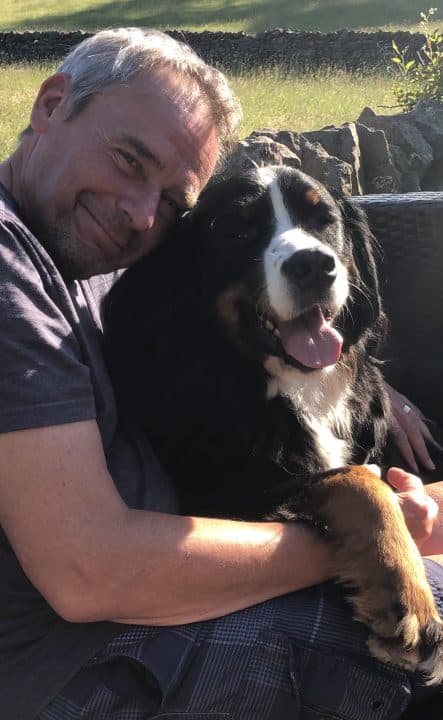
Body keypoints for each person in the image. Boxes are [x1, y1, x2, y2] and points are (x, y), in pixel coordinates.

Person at [0, 27, 442, 720]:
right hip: (78, 659)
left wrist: (360, 372)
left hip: (168, 585)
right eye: (128, 160)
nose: (140, 214)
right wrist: (369, 537)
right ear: (52, 104)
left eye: (173, 202)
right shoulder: (10, 271)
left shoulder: (94, 251)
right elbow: (87, 574)